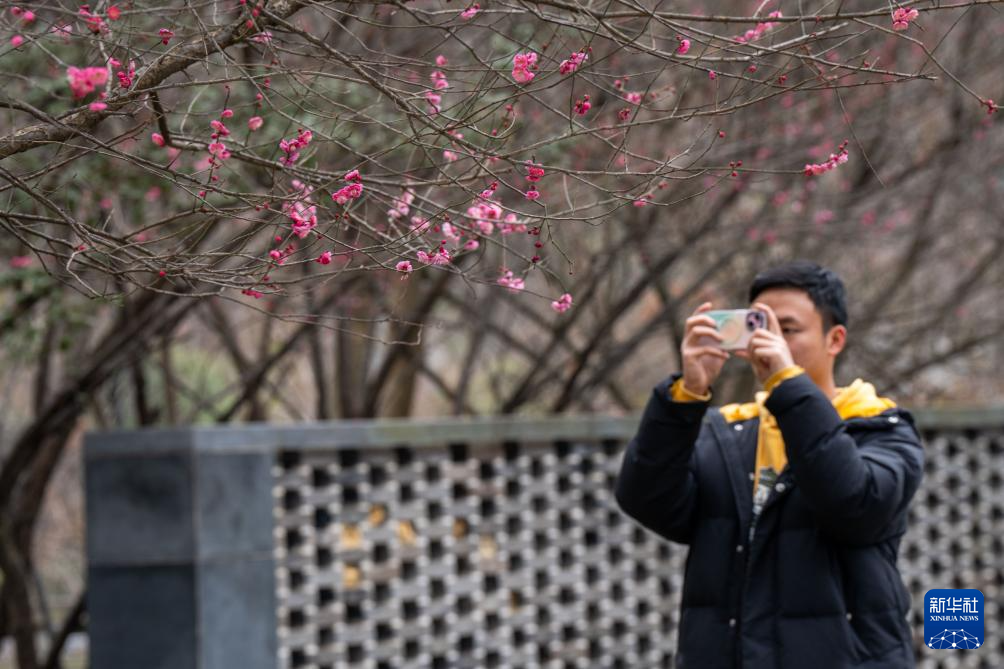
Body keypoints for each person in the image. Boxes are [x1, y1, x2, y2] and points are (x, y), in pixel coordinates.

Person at [615, 260, 924, 669]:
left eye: (787, 329)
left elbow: (854, 506)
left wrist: (786, 384)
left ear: (834, 339)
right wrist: (686, 395)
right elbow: (648, 501)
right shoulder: (728, 431)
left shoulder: (881, 429)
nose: (771, 341)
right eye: (759, 326)